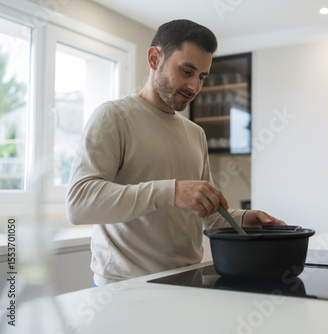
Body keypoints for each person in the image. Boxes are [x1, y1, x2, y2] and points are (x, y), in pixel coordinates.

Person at [66, 19, 285, 287]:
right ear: (154, 58)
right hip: (124, 291)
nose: (194, 87)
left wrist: (243, 218)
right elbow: (78, 205)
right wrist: (171, 191)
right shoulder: (113, 117)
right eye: (186, 71)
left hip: (187, 283)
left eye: (202, 77)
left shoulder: (196, 134)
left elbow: (207, 215)